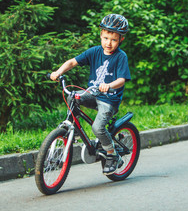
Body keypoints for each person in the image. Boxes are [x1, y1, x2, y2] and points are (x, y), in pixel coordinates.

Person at [50, 14, 131, 175]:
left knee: (98, 127)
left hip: (109, 99)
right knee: (72, 95)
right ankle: (73, 128)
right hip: (92, 94)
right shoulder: (95, 52)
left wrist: (109, 85)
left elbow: (122, 79)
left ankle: (112, 155)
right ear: (101, 34)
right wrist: (58, 72)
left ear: (121, 40)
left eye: (113, 40)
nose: (108, 43)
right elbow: (73, 62)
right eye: (106, 38)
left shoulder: (121, 57)